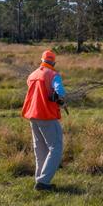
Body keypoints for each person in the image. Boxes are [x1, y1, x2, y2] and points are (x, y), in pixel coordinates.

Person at [20, 49, 66, 191]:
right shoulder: (53, 75)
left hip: (32, 116)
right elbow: (61, 92)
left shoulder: (32, 75)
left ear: (42, 60)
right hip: (46, 115)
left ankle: (39, 179)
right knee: (56, 148)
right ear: (54, 62)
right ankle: (44, 182)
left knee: (40, 149)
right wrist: (58, 99)